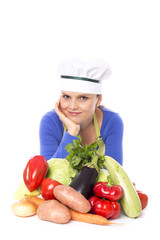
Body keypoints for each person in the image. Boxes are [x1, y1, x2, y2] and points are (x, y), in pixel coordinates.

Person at [39, 59, 124, 165]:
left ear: (98, 100)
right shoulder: (50, 122)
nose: (73, 106)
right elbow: (48, 175)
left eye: (83, 98)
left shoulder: (112, 122)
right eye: (66, 97)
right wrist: (71, 132)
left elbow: (114, 173)